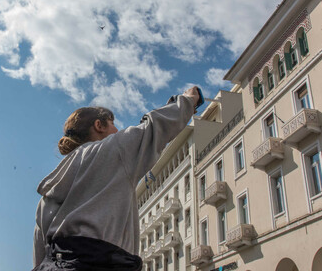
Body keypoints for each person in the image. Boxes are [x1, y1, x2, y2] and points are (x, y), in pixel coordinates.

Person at [32, 86, 200, 271]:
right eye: (113, 124)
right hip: (104, 262)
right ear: (99, 125)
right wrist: (188, 99)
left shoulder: (49, 191)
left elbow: (40, 257)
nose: (118, 130)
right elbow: (155, 127)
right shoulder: (112, 149)